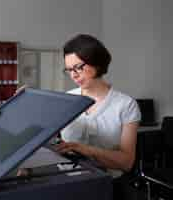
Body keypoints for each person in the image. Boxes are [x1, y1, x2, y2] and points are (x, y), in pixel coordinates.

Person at [53, 34, 141, 199]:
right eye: (69, 70)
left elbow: (126, 163)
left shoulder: (126, 105)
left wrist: (84, 150)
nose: (74, 75)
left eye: (79, 67)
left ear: (97, 62)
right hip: (68, 184)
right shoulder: (67, 99)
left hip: (108, 187)